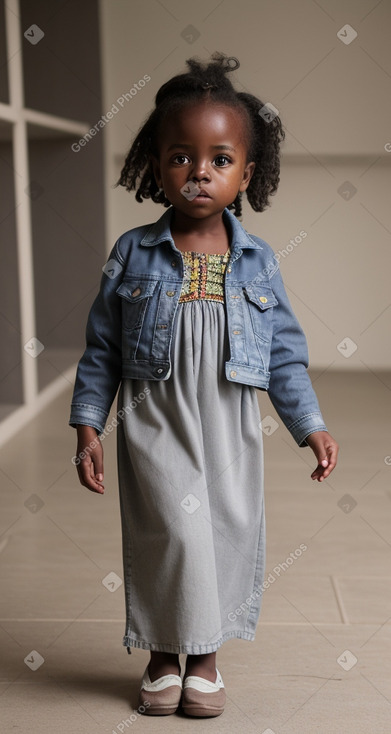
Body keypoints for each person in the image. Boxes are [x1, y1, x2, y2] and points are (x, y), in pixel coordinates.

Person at [69, 52, 339, 718]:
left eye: (219, 159)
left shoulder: (257, 260)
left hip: (227, 419)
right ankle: (164, 654)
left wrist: (308, 424)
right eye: (181, 157)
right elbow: (101, 346)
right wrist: (87, 424)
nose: (199, 173)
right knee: (170, 531)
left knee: (223, 529)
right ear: (155, 166)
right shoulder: (133, 252)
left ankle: (206, 659)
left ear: (246, 173)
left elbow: (282, 353)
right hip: (154, 413)